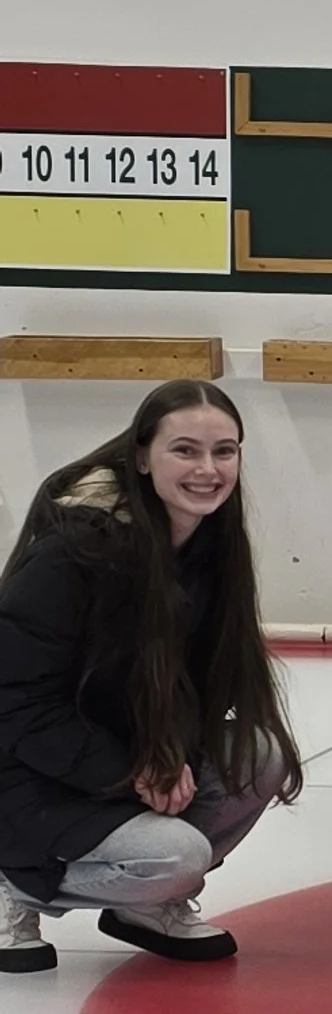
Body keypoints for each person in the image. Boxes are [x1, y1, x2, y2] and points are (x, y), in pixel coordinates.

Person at [0, 383, 300, 971]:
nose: (208, 470)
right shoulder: (73, 553)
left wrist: (169, 754)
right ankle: (15, 880)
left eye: (224, 451)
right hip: (28, 771)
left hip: (115, 761)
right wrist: (133, 769)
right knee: (174, 856)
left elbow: (197, 689)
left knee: (260, 755)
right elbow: (14, 703)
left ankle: (145, 906)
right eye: (185, 450)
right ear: (141, 457)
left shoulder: (209, 549)